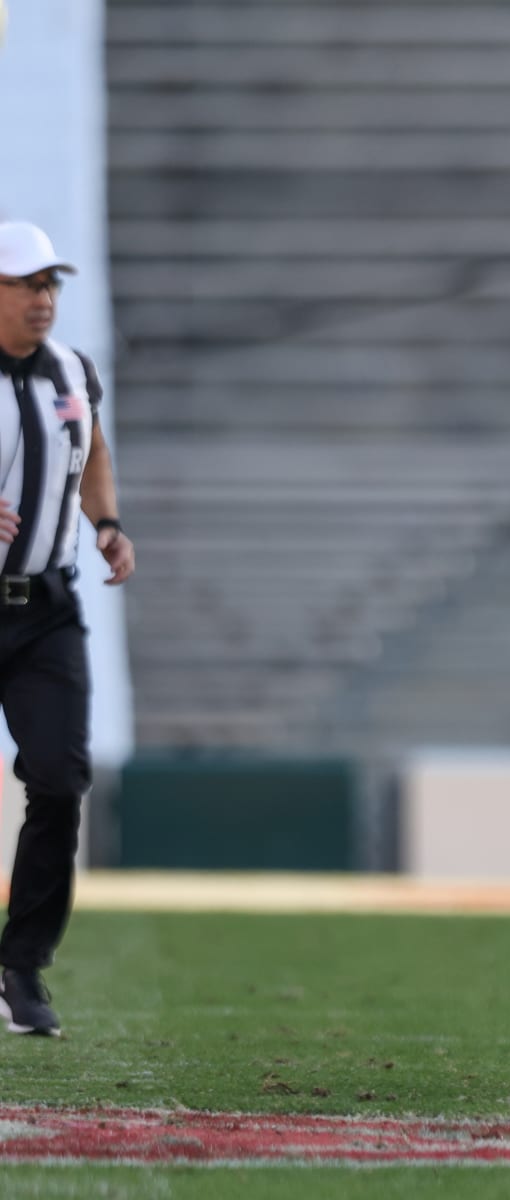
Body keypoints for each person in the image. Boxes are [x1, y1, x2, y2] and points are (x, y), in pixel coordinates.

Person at [0, 220, 135, 1037]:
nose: (44, 299)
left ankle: (19, 966)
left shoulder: (71, 371)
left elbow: (92, 451)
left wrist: (108, 522)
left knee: (58, 779)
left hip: (46, 608)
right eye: (26, 284)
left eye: (51, 284)